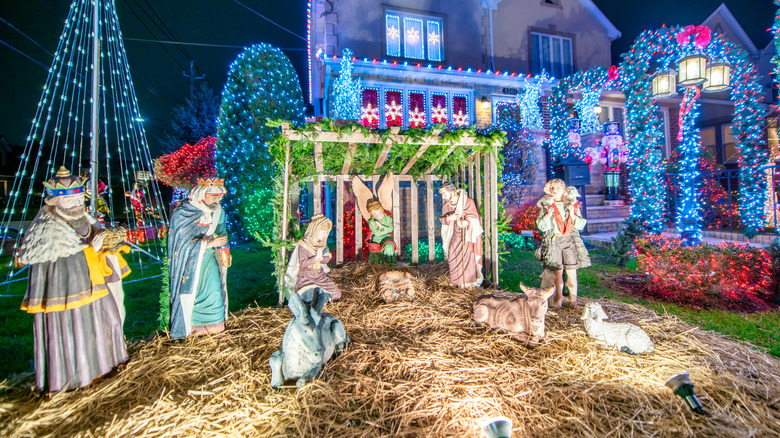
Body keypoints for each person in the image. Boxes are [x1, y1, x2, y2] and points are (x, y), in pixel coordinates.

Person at [17, 166, 130, 392]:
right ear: (55, 202)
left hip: (96, 285)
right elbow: (56, 263)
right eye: (72, 200)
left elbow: (96, 245)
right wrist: (89, 249)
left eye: (80, 197)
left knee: (111, 320)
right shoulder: (48, 229)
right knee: (76, 335)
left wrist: (107, 246)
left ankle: (108, 366)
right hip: (69, 297)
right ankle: (78, 379)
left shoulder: (85, 218)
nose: (78, 203)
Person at [168, 177, 230, 338]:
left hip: (209, 259)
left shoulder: (218, 211)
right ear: (202, 194)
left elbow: (221, 230)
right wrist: (208, 244)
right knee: (192, 294)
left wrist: (225, 250)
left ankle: (215, 327)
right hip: (190, 262)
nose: (217, 200)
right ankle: (193, 329)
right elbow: (181, 244)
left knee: (215, 291)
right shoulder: (184, 212)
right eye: (213, 196)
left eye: (219, 197)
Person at [535, 179, 591, 307]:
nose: (554, 191)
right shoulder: (546, 205)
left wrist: (572, 213)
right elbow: (542, 226)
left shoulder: (571, 204)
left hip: (569, 240)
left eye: (558, 188)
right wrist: (547, 215)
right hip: (554, 241)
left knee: (571, 271)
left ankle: (573, 300)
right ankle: (558, 298)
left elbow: (581, 224)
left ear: (564, 189)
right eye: (552, 188)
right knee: (557, 272)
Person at [284, 214, 342, 301]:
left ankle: (325, 300)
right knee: (311, 297)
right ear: (316, 230)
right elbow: (303, 263)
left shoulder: (321, 244)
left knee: (336, 294)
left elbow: (327, 257)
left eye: (326, 232)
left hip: (319, 276)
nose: (325, 235)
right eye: (323, 232)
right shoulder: (304, 245)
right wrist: (315, 258)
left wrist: (321, 258)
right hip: (307, 278)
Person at [439, 182, 484, 288]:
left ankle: (468, 283)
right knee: (452, 254)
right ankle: (456, 282)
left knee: (468, 257)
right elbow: (443, 219)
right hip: (454, 235)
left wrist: (467, 222)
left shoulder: (467, 202)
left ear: (453, 193)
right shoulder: (446, 206)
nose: (443, 197)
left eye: (444, 194)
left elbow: (474, 217)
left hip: (467, 236)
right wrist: (450, 218)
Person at [366, 200, 396, 264]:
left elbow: (390, 229)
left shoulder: (388, 218)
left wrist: (381, 226)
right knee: (376, 256)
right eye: (373, 212)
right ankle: (380, 266)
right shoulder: (372, 221)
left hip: (386, 238)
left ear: (381, 209)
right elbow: (377, 233)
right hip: (376, 239)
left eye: (376, 210)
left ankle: (389, 265)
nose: (375, 213)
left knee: (389, 246)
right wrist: (385, 229)